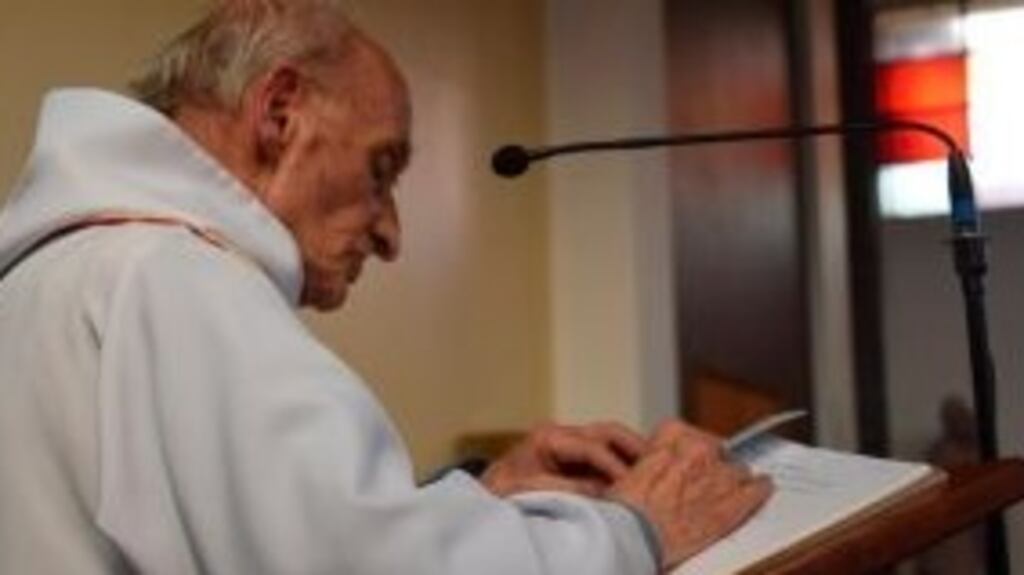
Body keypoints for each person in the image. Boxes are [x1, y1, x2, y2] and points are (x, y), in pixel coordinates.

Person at [0, 1, 771, 574]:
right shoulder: (172, 276)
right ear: (278, 112)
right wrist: (635, 530)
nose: (392, 235)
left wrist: (475, 499)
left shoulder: (62, 271)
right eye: (381, 170)